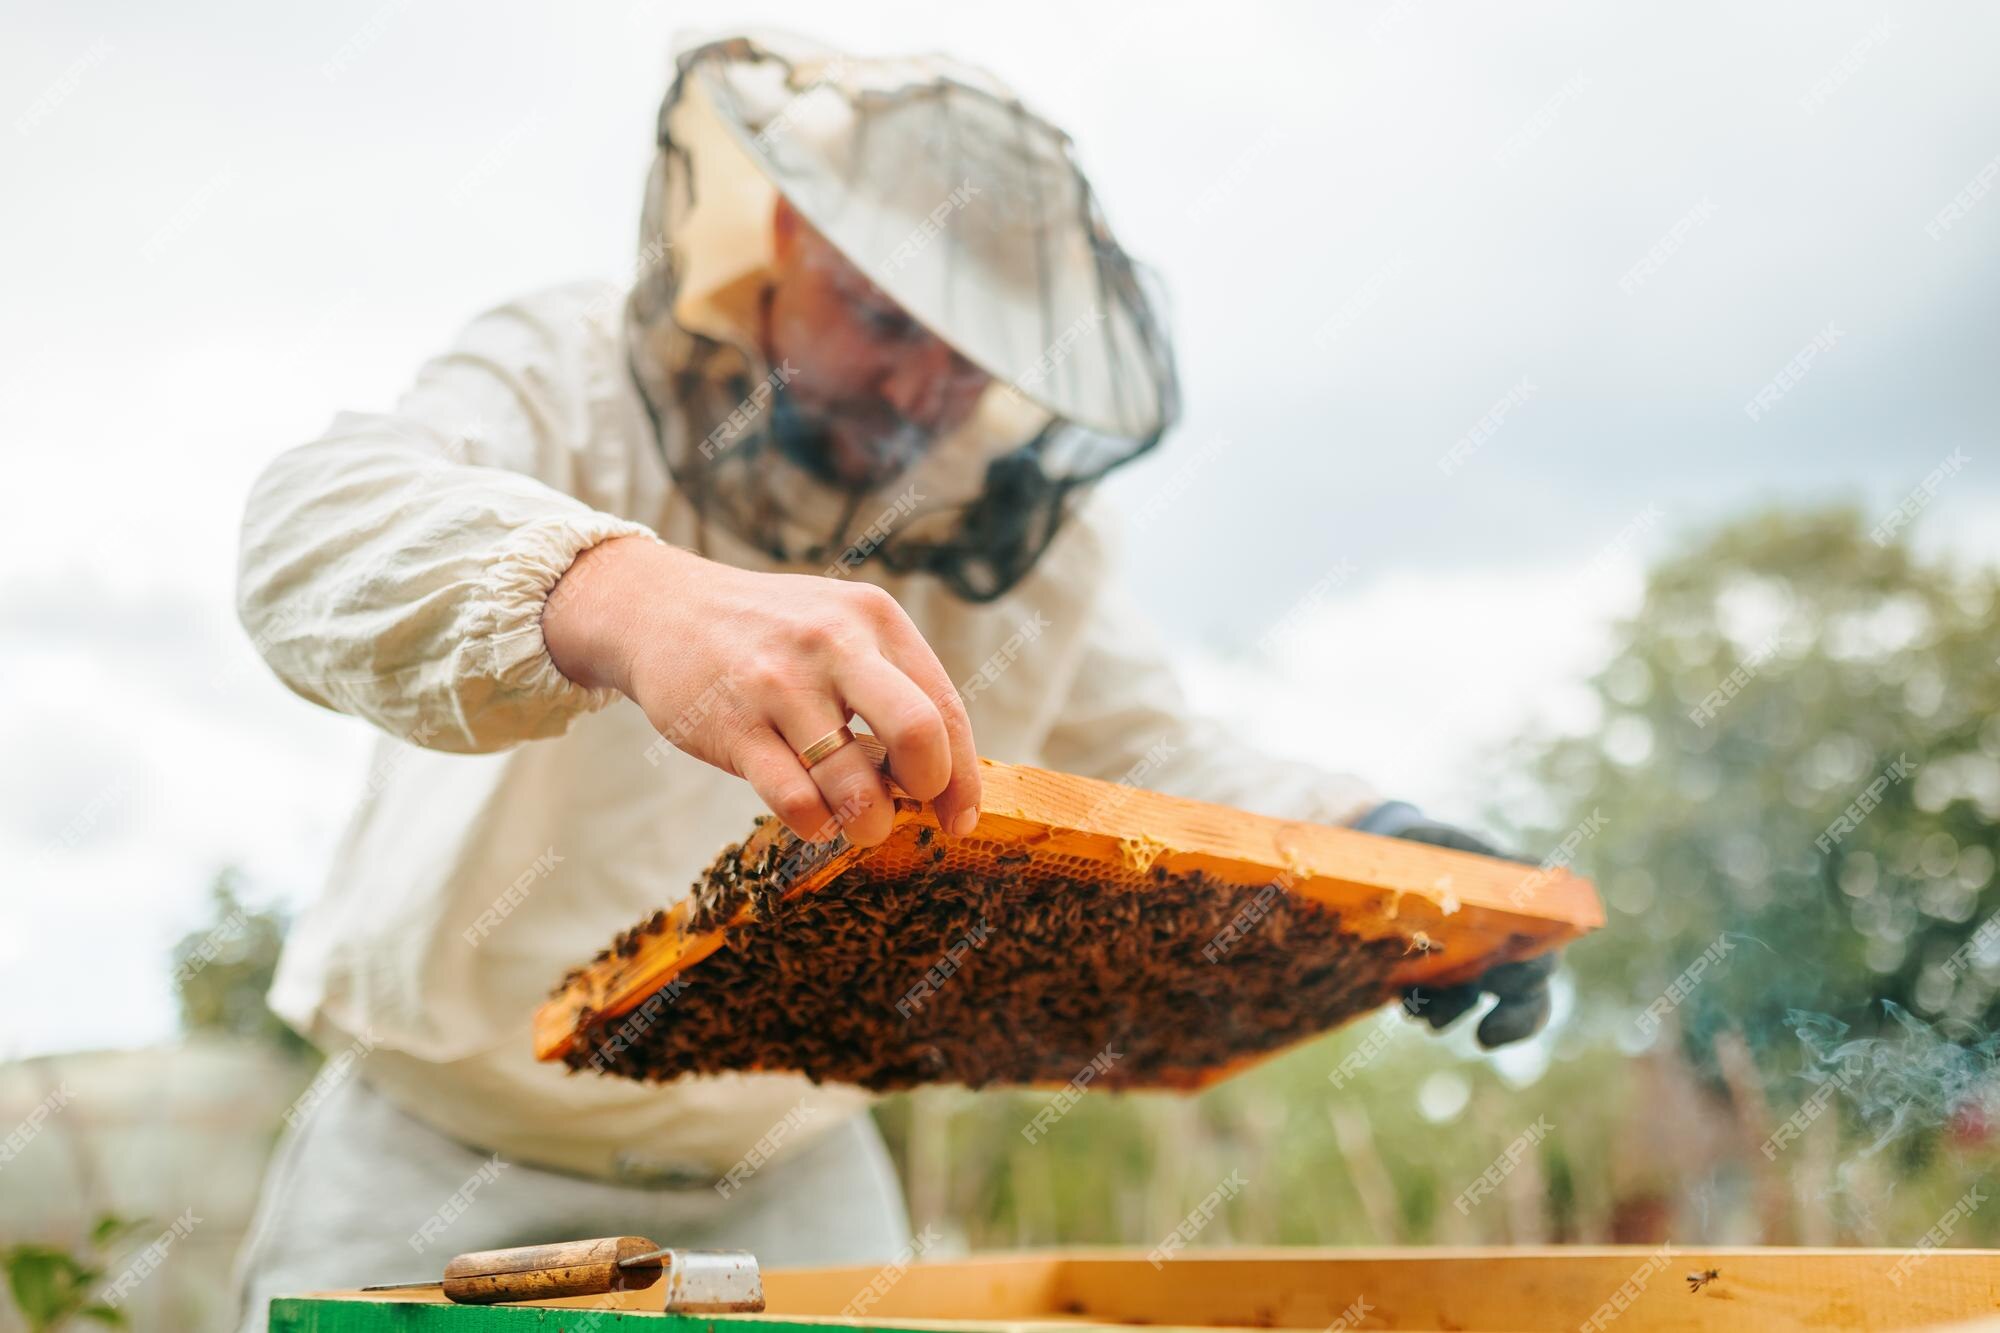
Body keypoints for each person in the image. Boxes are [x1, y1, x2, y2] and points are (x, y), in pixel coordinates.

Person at [228, 30, 1554, 1331]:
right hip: (437, 1154)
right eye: (884, 318)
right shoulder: (568, 375)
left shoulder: (1007, 531)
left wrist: (1378, 845)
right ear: (792, 234)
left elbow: (1153, 756)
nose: (922, 387)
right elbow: (311, 534)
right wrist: (629, 599)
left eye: (970, 356)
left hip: (792, 1183)